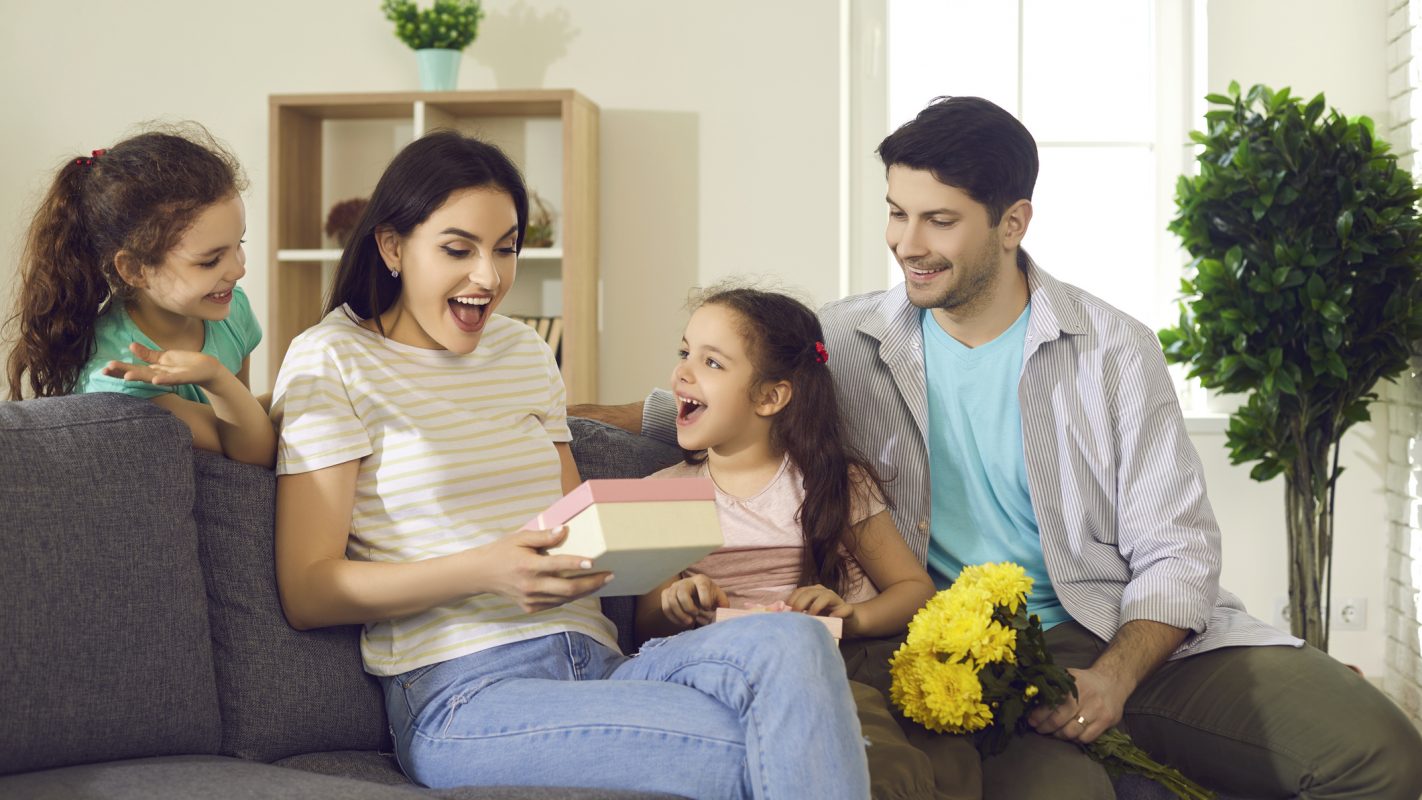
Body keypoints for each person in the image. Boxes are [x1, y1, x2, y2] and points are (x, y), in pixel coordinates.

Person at [574, 96, 1422, 799]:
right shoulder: (846, 338)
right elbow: (724, 402)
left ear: (1012, 222)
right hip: (936, 649)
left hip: (1112, 625)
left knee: (1380, 756)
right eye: (897, 214)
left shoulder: (1113, 348)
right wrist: (551, 413)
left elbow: (1177, 549)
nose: (908, 242)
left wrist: (1117, 676)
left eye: (939, 221)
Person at [269, 130, 870, 798]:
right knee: (770, 744)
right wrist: (486, 568)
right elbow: (309, 590)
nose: (489, 277)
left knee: (799, 643)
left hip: (604, 663)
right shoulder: (332, 359)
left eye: (505, 249)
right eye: (457, 249)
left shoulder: (523, 351)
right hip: (467, 691)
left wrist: (640, 564)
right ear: (391, 247)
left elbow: (571, 529)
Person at [636, 285, 976, 800]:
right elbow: (645, 623)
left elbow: (913, 589)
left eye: (711, 362)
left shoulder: (832, 484)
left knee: (892, 763)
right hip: (719, 679)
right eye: (685, 353)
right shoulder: (659, 497)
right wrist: (676, 603)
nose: (681, 373)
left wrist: (851, 615)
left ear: (771, 396)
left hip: (831, 673)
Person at [6, 126, 274, 467]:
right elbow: (252, 453)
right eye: (210, 261)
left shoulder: (232, 311)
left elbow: (245, 414)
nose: (238, 271)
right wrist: (215, 377)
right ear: (134, 269)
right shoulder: (118, 374)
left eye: (240, 246)